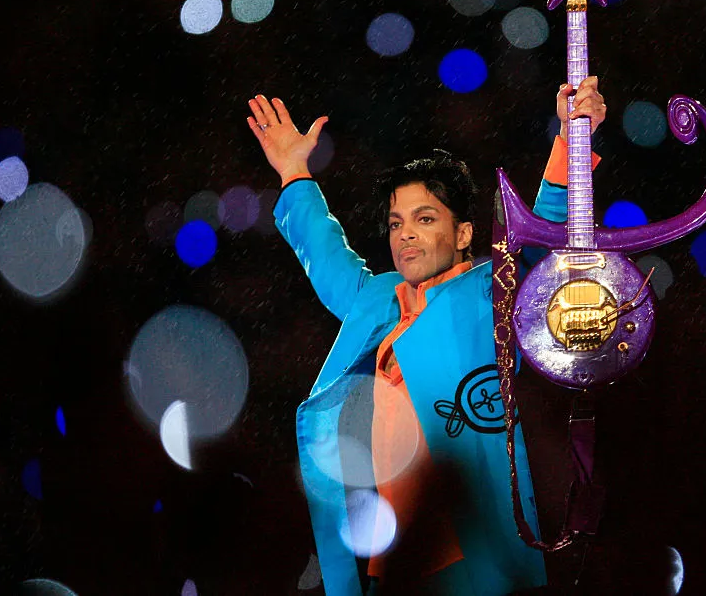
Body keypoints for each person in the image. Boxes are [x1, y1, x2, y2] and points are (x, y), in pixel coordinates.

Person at [246, 78, 607, 596]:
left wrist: (572, 141)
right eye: (396, 224)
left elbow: (545, 237)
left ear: (462, 234)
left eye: (425, 218)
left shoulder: (491, 288)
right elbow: (327, 258)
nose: (406, 234)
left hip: (470, 549)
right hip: (390, 560)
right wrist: (294, 173)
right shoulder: (380, 299)